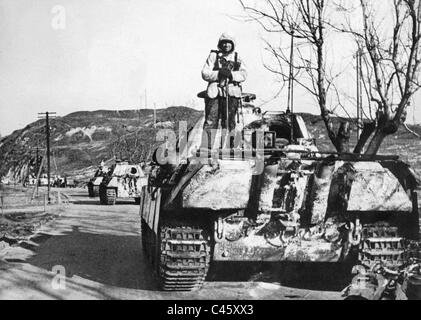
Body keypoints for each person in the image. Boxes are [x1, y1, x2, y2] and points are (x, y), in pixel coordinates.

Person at [200, 33, 247, 149]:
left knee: (230, 122)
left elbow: (244, 74)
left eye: (229, 43)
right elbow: (205, 73)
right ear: (220, 44)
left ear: (232, 45)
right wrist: (218, 74)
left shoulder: (237, 57)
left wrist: (231, 75)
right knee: (211, 120)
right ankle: (206, 148)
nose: (226, 45)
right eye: (224, 43)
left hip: (231, 92)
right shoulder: (213, 56)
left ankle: (230, 147)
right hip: (214, 92)